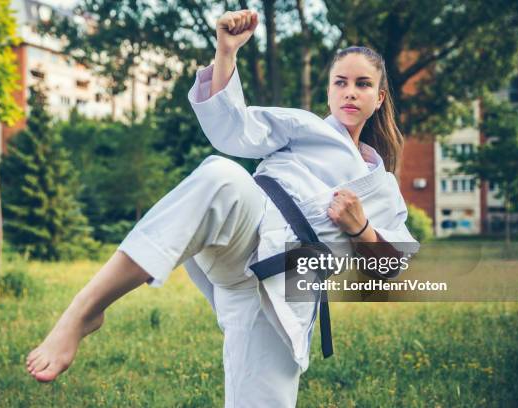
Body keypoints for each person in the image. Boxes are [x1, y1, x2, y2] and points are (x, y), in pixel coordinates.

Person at [25, 9, 418, 407]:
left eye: (363, 84)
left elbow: (389, 273)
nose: (351, 92)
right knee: (221, 176)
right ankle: (85, 310)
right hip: (248, 227)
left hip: (288, 287)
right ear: (329, 92)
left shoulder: (384, 191)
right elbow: (232, 127)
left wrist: (360, 228)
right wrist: (226, 53)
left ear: (379, 97)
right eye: (341, 82)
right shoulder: (303, 127)